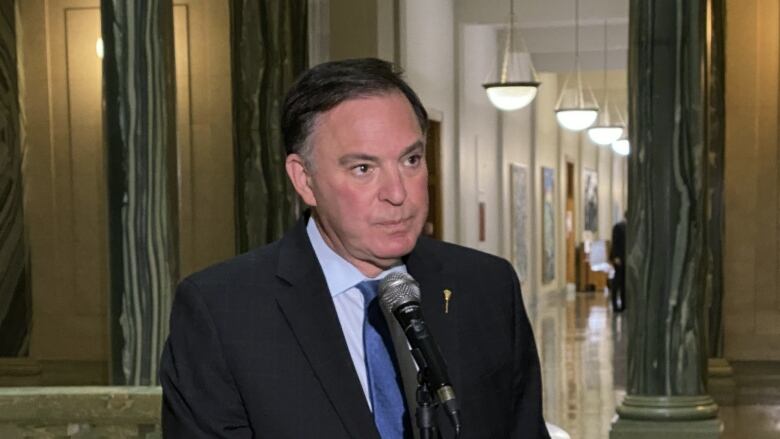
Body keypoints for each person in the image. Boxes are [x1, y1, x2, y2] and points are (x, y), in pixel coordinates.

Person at [160, 58, 549, 438]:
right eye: (364, 168)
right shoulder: (222, 313)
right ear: (304, 179)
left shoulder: (486, 286)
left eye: (411, 160)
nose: (399, 194)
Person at [610, 214, 627, 312]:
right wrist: (616, 257)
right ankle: (615, 305)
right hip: (619, 259)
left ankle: (624, 304)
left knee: (624, 283)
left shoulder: (627, 228)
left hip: (624, 259)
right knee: (617, 282)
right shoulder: (618, 227)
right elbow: (615, 243)